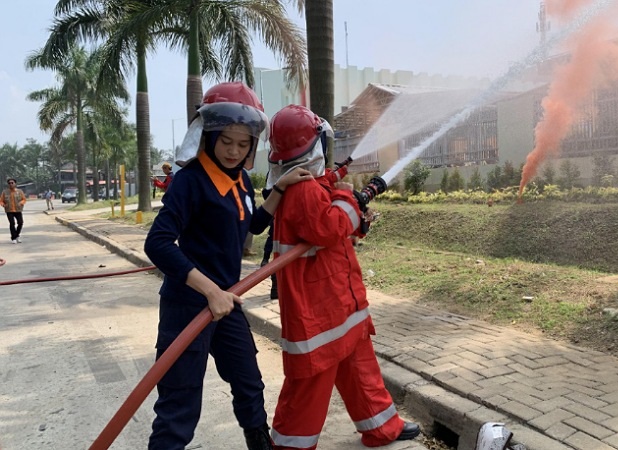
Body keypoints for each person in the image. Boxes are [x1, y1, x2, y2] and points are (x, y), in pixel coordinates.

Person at [143, 82, 313, 450]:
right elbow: (156, 243)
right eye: (226, 142)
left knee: (249, 383)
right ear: (209, 136)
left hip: (226, 303)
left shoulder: (238, 180)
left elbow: (249, 225)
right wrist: (210, 291)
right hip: (188, 305)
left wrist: (279, 189)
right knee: (179, 405)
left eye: (243, 144)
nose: (234, 151)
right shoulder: (189, 181)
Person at [265, 104, 420, 450]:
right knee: (309, 386)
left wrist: (343, 196)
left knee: (360, 367)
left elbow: (329, 228)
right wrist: (352, 197)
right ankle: (290, 446)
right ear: (313, 146)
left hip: (337, 303)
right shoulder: (304, 191)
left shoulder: (308, 185)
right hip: (318, 314)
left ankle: (382, 428)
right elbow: (330, 226)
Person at [0, 178, 26, 244]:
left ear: (15, 183)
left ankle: (17, 235)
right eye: (9, 183)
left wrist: (21, 203)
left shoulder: (19, 191)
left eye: (12, 183)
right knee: (12, 223)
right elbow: (1, 200)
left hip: (18, 210)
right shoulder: (5, 192)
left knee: (20, 222)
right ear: (8, 184)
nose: (11, 184)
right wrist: (3, 204)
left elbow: (24, 199)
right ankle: (13, 238)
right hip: (9, 210)